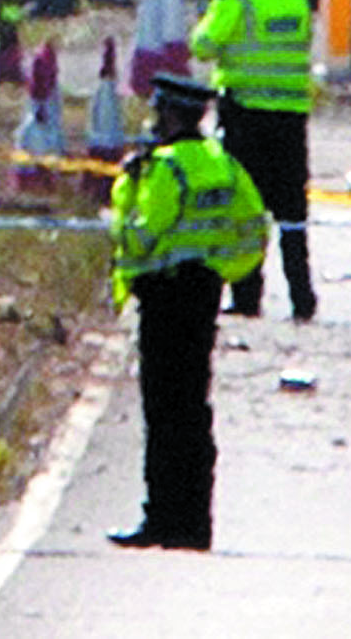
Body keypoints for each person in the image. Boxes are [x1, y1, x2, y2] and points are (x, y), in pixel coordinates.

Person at [106, 72, 267, 550]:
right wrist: (224, 270)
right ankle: (195, 522)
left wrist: (126, 188)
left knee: (163, 410)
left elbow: (139, 235)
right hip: (202, 293)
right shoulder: (222, 164)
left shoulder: (165, 168)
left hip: (164, 296)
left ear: (170, 115)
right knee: (194, 408)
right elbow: (254, 228)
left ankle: (161, 519)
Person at [191, 0, 319, 322]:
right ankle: (302, 297)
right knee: (292, 210)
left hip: (246, 114)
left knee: (246, 207)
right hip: (292, 116)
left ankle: (248, 297)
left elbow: (203, 44)